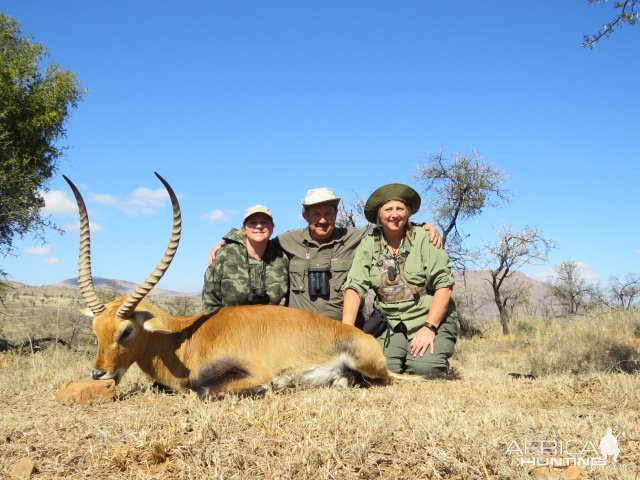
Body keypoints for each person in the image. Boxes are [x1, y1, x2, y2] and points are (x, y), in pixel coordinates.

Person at [208, 188, 441, 322]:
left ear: (336, 214)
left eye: (328, 213)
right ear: (305, 215)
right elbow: (257, 237)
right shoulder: (288, 240)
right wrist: (229, 242)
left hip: (343, 326)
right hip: (300, 330)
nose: (322, 219)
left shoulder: (356, 237)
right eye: (316, 213)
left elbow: (392, 225)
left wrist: (422, 227)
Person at [341, 183, 458, 378]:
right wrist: (346, 331)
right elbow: (354, 286)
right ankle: (400, 352)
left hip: (426, 319)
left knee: (425, 369)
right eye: (388, 209)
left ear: (408, 213)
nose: (394, 215)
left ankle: (431, 355)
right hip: (391, 323)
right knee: (374, 369)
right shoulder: (369, 243)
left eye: (400, 209)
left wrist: (429, 327)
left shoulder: (425, 238)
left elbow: (444, 285)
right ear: (379, 215)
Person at [202, 205, 288, 314]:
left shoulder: (281, 258)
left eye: (265, 222)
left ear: (272, 228)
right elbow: (210, 301)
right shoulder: (225, 254)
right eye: (252, 222)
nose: (259, 226)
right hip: (230, 327)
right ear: (244, 229)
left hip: (269, 327)